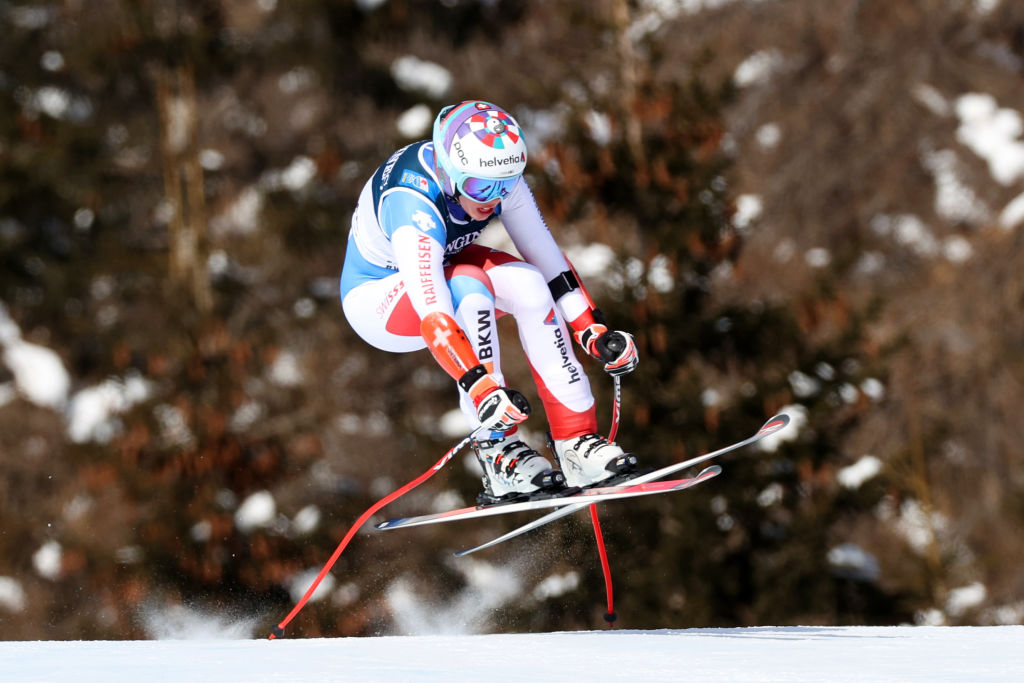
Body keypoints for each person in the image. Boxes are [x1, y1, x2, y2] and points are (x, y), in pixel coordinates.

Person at [339, 100, 639, 505]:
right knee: (468, 284)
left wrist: (592, 329)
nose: (492, 199)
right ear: (449, 172)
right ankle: (497, 451)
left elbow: (547, 259)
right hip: (378, 300)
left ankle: (575, 441)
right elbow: (435, 313)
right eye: (481, 187)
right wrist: (480, 388)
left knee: (529, 284)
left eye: (505, 185)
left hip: (446, 271)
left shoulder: (496, 179)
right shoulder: (412, 204)